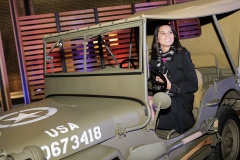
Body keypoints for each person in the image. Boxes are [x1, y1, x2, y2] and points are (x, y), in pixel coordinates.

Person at [148, 24, 198, 134]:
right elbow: (152, 83)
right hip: (163, 94)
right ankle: (150, 133)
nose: (168, 35)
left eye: (170, 32)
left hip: (181, 96)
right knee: (145, 102)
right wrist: (157, 83)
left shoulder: (183, 55)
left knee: (152, 103)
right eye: (163, 33)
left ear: (174, 35)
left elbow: (193, 84)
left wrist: (171, 87)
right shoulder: (154, 58)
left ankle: (152, 133)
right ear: (157, 38)